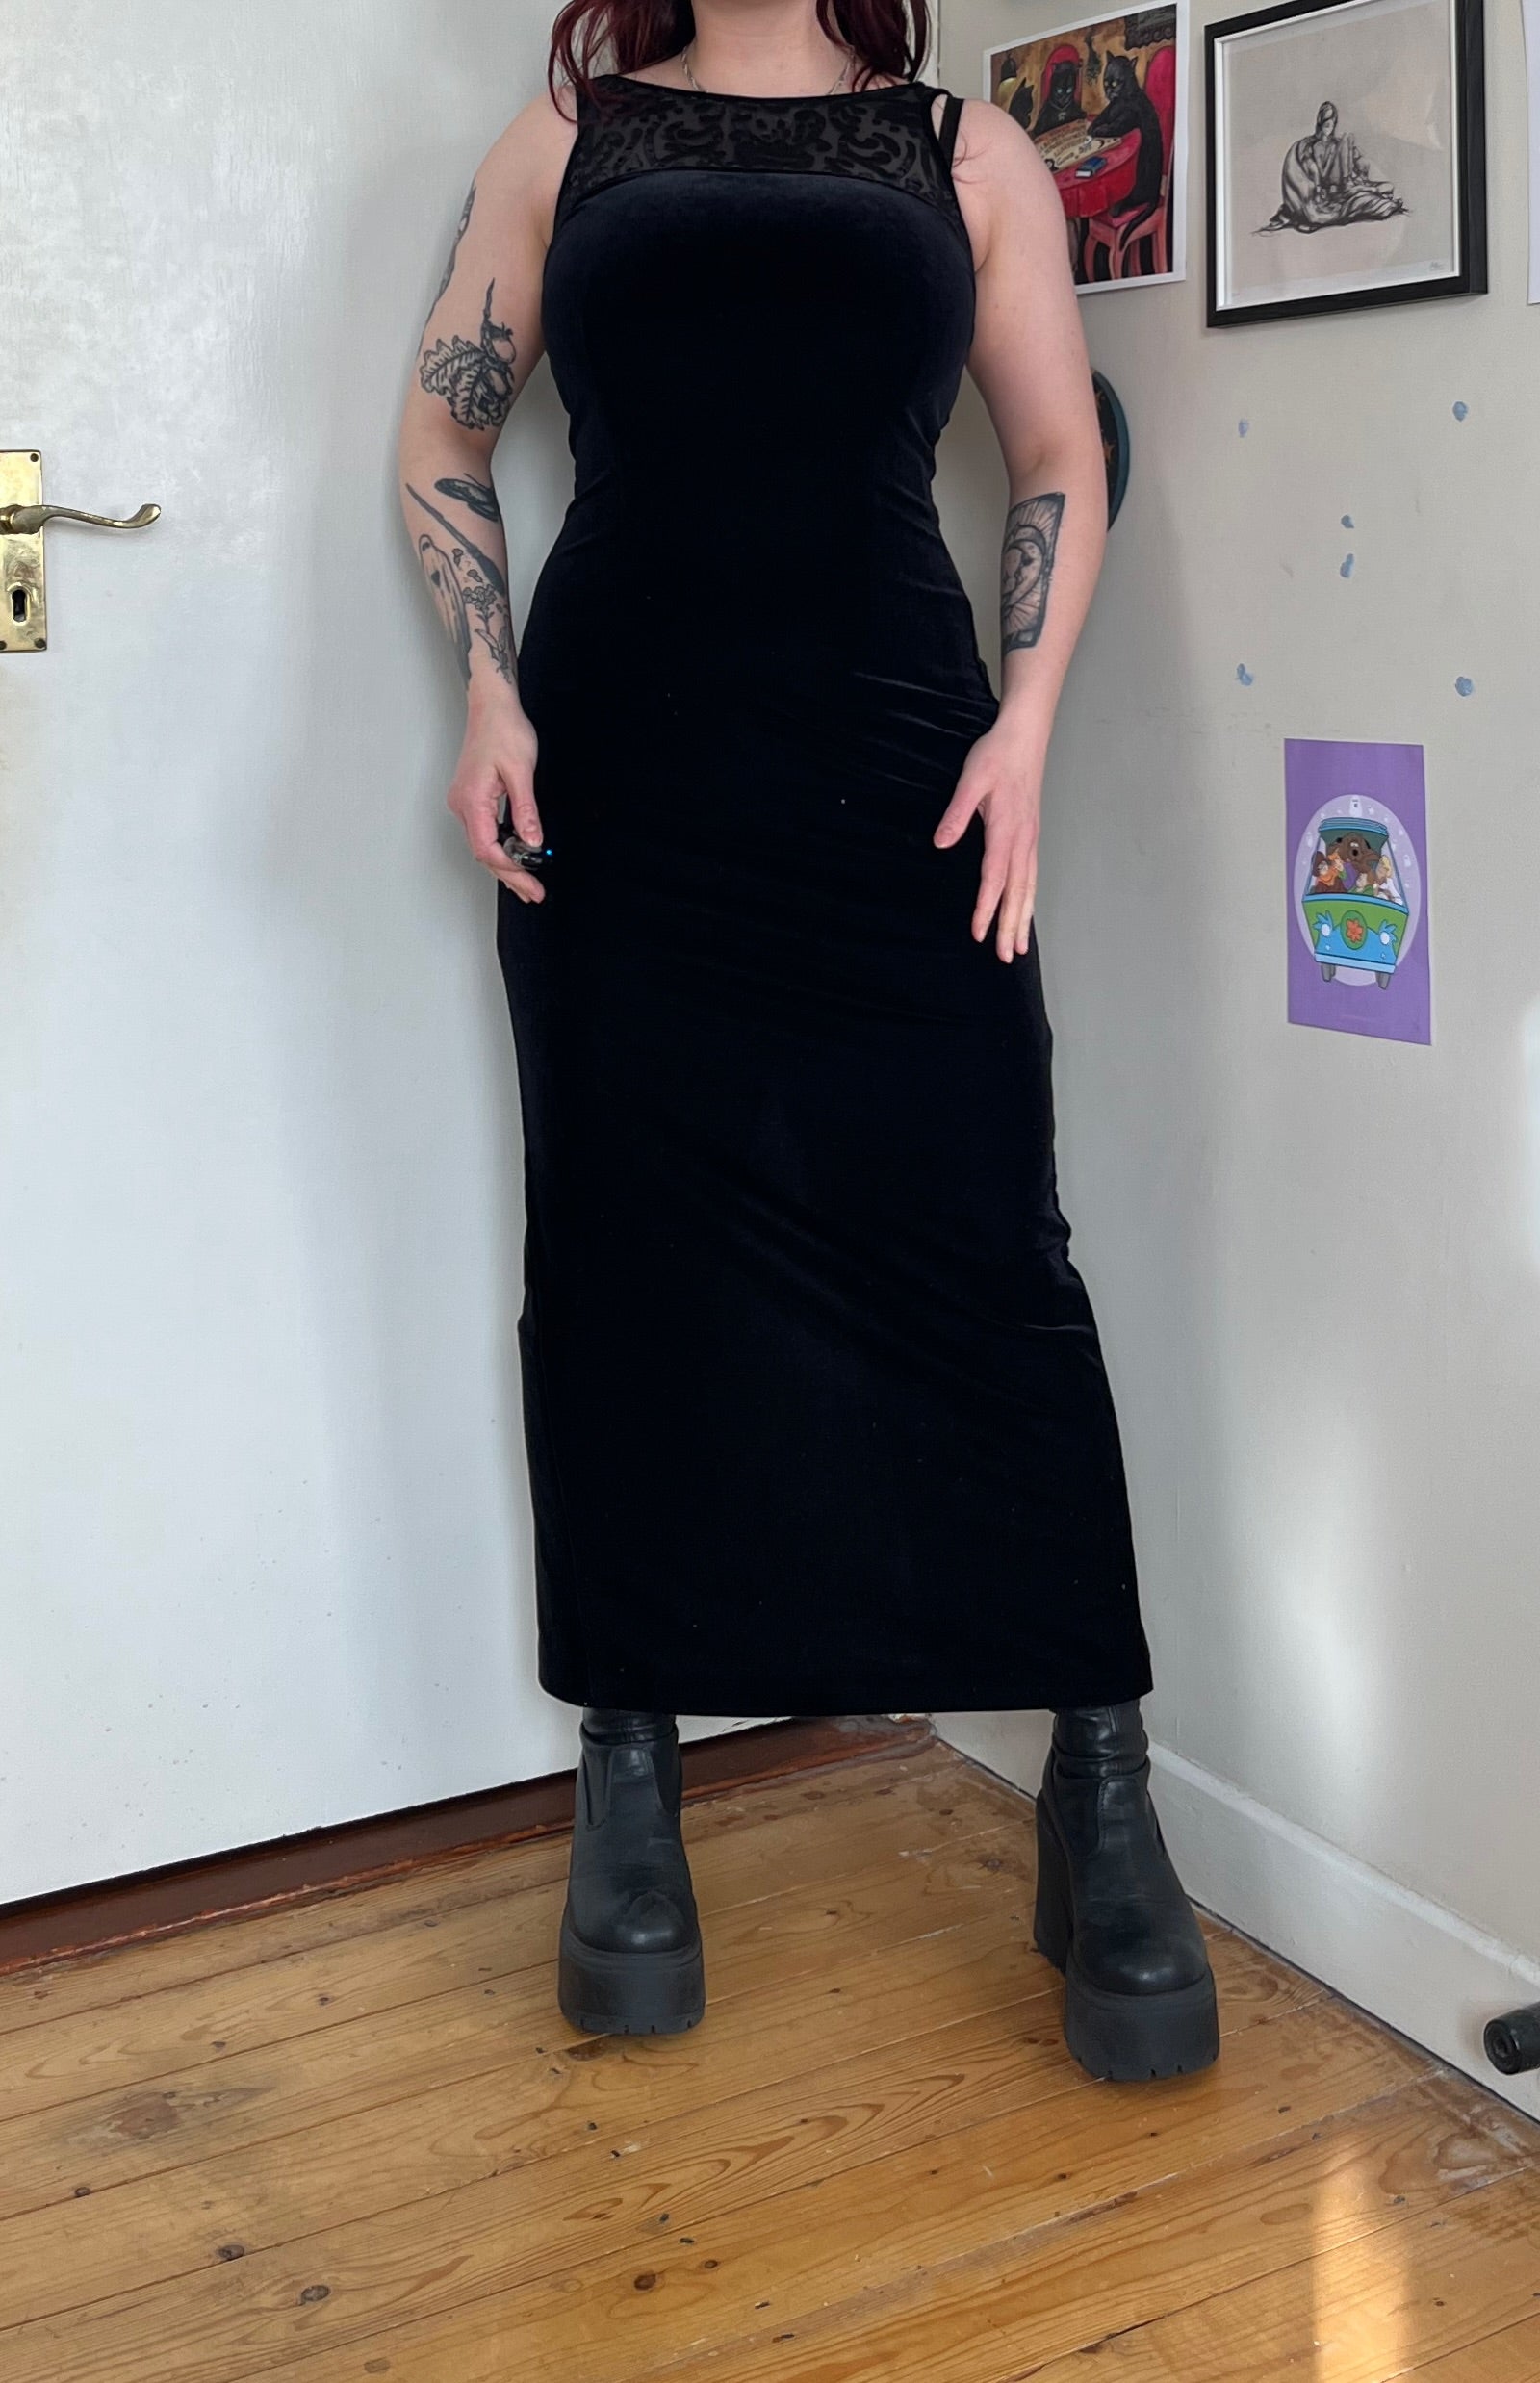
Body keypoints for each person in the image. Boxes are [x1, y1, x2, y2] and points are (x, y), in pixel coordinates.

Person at [396, 0, 1218, 2085]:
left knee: (987, 1248)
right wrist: (487, 690)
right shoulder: (562, 141)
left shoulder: (964, 152)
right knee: (622, 1253)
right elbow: (441, 439)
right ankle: (632, 1767)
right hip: (622, 771)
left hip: (900, 766)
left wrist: (1026, 731)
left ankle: (1100, 1783)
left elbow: (1058, 457)